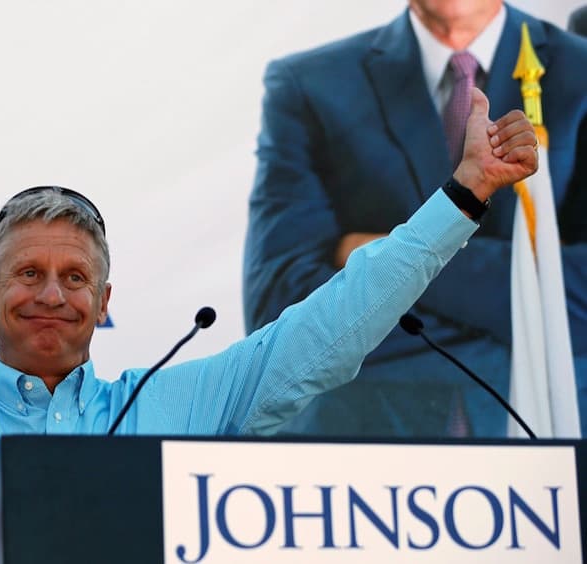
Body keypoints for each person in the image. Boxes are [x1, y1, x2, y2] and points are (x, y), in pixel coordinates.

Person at [0, 2, 537, 562]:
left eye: (75, 278)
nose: (52, 294)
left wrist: (461, 197)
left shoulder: (175, 411)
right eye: (27, 273)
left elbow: (328, 330)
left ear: (107, 304)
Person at [243, 0, 587, 439]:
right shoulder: (309, 85)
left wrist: (375, 253)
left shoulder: (578, 71)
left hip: (555, 438)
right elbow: (281, 302)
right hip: (359, 447)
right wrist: (521, 303)